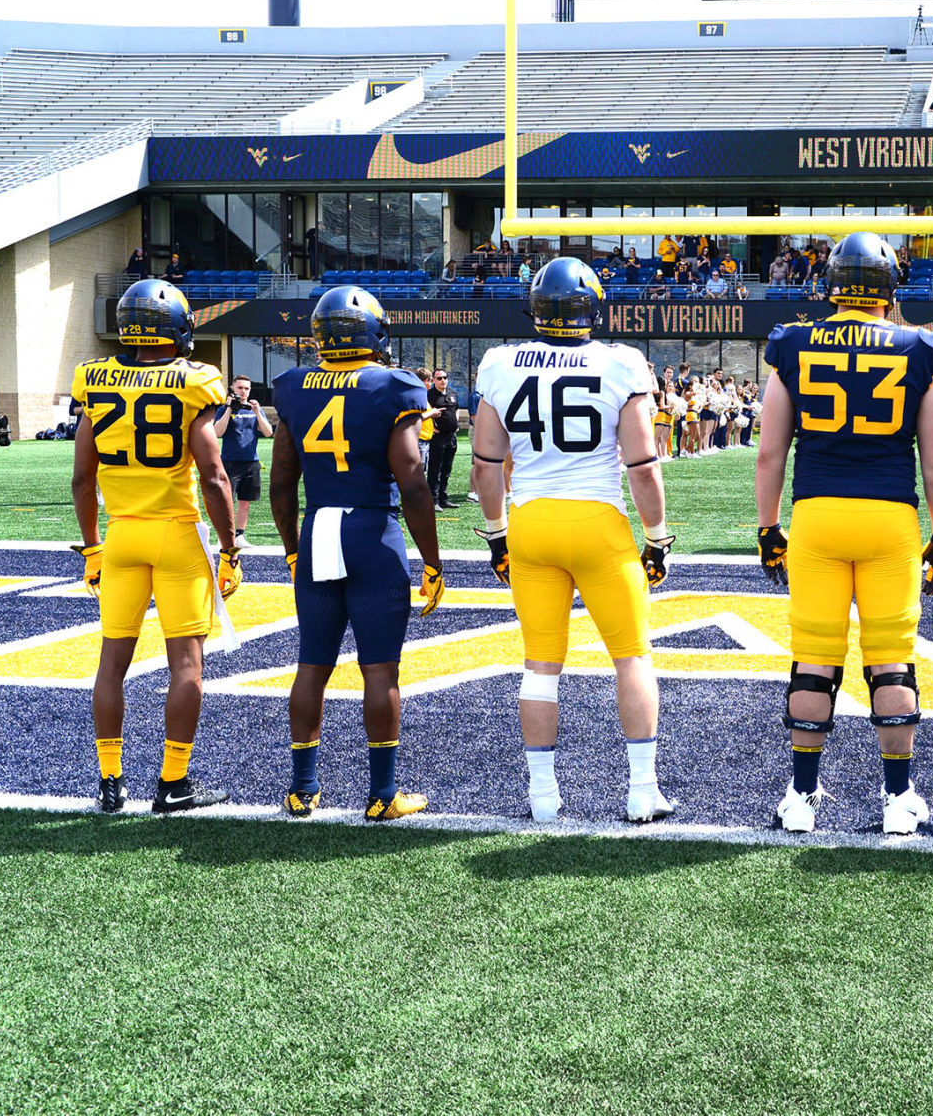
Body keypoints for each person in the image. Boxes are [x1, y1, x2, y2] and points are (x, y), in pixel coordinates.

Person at [756, 232, 933, 837]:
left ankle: (800, 797)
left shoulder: (793, 342)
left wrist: (768, 528)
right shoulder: (919, 346)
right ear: (889, 288)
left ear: (832, 282)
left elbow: (770, 453)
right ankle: (896, 801)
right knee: (891, 664)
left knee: (814, 663)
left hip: (817, 516)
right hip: (889, 519)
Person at [472, 258, 677, 823]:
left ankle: (542, 796)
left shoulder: (499, 362)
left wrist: (497, 536)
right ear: (593, 304)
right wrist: (657, 537)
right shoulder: (622, 362)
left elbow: (486, 466)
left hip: (532, 522)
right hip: (597, 523)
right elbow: (642, 465)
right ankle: (641, 790)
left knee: (539, 664)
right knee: (632, 657)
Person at [268, 286, 444, 821]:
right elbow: (413, 481)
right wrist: (432, 559)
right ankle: (382, 795)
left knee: (312, 665)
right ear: (375, 331)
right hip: (371, 530)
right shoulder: (394, 385)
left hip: (318, 526)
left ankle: (302, 789)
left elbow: (280, 483)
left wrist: (291, 548)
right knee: (380, 671)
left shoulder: (294, 386)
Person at [70, 279, 240, 814]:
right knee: (186, 666)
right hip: (176, 534)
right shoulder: (196, 381)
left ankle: (110, 783)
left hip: (120, 535)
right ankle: (172, 783)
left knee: (111, 663)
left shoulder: (95, 380)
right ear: (177, 327)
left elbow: (81, 479)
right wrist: (232, 547)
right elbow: (213, 475)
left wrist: (92, 548)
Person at [212, 375, 275, 549]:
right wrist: (228, 409)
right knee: (227, 502)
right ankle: (224, 536)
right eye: (240, 388)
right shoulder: (225, 409)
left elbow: (268, 432)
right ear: (233, 388)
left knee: (245, 502)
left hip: (251, 462)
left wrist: (257, 411)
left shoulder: (253, 409)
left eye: (246, 388)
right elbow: (217, 432)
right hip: (230, 462)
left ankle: (240, 536)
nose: (243, 391)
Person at [425, 366, 461, 508]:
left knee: (447, 469)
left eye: (445, 378)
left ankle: (443, 499)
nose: (443, 381)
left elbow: (456, 409)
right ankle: (433, 501)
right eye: (439, 378)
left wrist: (456, 424)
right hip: (438, 438)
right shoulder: (429, 395)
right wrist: (432, 427)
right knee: (435, 470)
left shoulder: (452, 393)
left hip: (452, 437)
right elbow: (422, 412)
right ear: (434, 380)